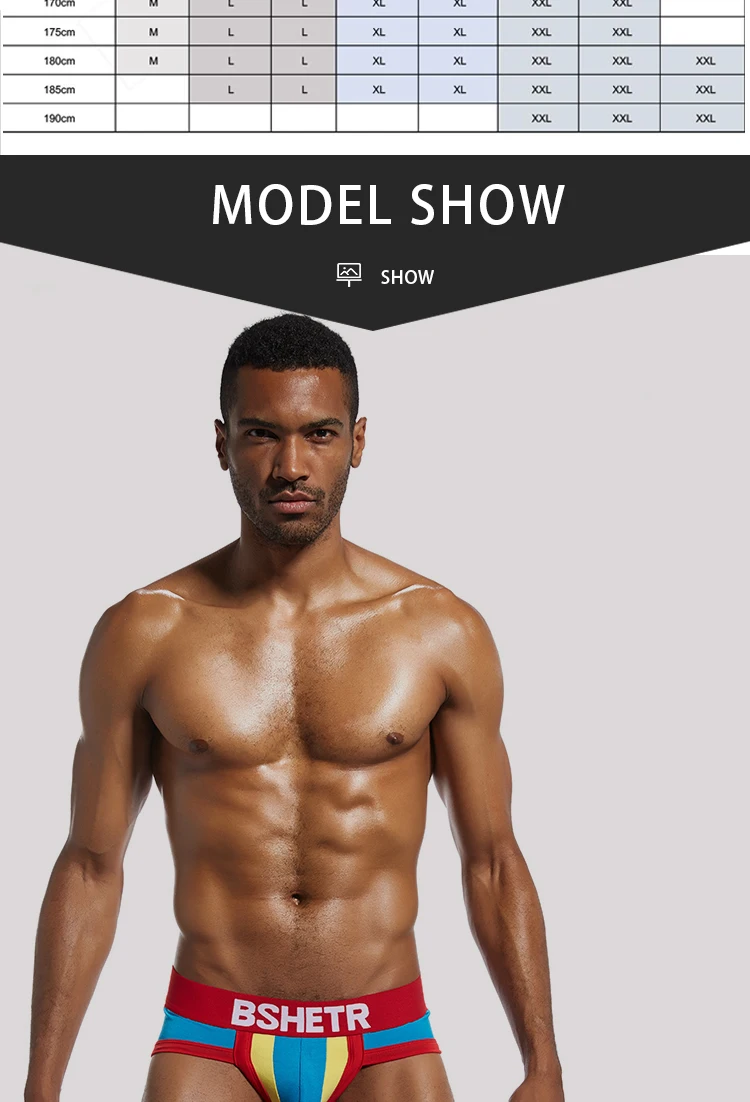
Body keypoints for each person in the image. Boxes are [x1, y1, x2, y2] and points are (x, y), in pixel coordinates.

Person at [24, 313, 564, 1102]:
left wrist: (542, 1064)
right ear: (221, 444)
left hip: (386, 1036)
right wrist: (40, 1087)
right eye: (261, 435)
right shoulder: (144, 632)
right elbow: (90, 865)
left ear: (358, 441)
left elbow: (491, 859)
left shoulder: (439, 631)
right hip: (211, 1036)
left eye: (319, 434)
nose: (291, 466)